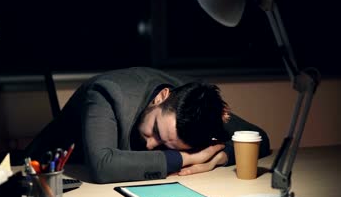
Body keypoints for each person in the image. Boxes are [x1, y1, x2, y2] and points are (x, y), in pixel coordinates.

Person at [24, 67, 270, 183]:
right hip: (44, 177)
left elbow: (259, 137)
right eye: (155, 132)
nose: (151, 145)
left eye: (168, 146)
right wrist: (189, 158)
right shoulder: (108, 92)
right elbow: (103, 166)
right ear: (161, 97)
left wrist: (219, 158)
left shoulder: (195, 104)